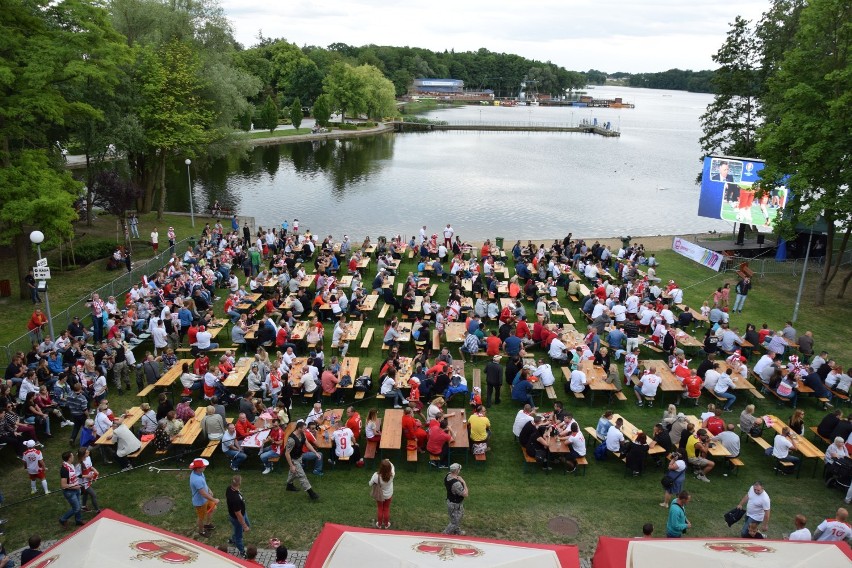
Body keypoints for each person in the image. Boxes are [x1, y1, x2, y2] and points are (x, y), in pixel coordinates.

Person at [285, 420, 319, 500]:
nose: (306, 430)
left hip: (299, 456)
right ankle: (311, 493)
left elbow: (307, 443)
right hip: (293, 459)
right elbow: (287, 453)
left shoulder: (303, 434)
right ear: (299, 428)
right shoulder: (291, 439)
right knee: (302, 475)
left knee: (293, 473)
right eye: (304, 428)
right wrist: (291, 465)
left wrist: (315, 453)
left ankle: (289, 485)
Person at [189, 458, 218, 537]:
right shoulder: (196, 479)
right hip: (200, 502)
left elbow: (204, 483)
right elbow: (202, 494)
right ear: (198, 468)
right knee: (201, 517)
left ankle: (207, 524)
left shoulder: (200, 473)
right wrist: (214, 499)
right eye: (203, 466)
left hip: (206, 498)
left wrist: (209, 489)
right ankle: (201, 531)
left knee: (213, 509)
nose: (205, 467)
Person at [226, 475, 250, 557]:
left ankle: (233, 539)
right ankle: (242, 551)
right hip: (237, 518)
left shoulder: (229, 488)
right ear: (239, 484)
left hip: (242, 514)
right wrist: (244, 525)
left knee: (246, 525)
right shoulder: (235, 498)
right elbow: (238, 514)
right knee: (239, 535)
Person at [59, 451, 84, 528]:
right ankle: (63, 519)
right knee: (76, 508)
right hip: (70, 492)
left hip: (76, 489)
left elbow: (74, 476)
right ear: (69, 458)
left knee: (79, 505)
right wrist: (75, 486)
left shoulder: (71, 465)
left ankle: (78, 520)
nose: (73, 457)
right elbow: (63, 485)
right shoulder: (64, 469)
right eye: (72, 456)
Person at [369, 459, 395, 529]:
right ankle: (386, 524)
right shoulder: (392, 475)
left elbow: (370, 483)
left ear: (381, 467)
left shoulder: (376, 476)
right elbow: (392, 466)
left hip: (379, 496)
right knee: (386, 509)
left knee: (380, 508)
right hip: (389, 494)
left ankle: (379, 524)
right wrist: (389, 461)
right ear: (389, 468)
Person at [443, 463, 468, 535]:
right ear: (457, 471)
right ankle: (445, 534)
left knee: (458, 517)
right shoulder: (456, 484)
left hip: (451, 501)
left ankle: (457, 531)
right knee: (455, 521)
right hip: (455, 504)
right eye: (459, 469)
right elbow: (466, 494)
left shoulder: (447, 476)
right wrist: (463, 482)